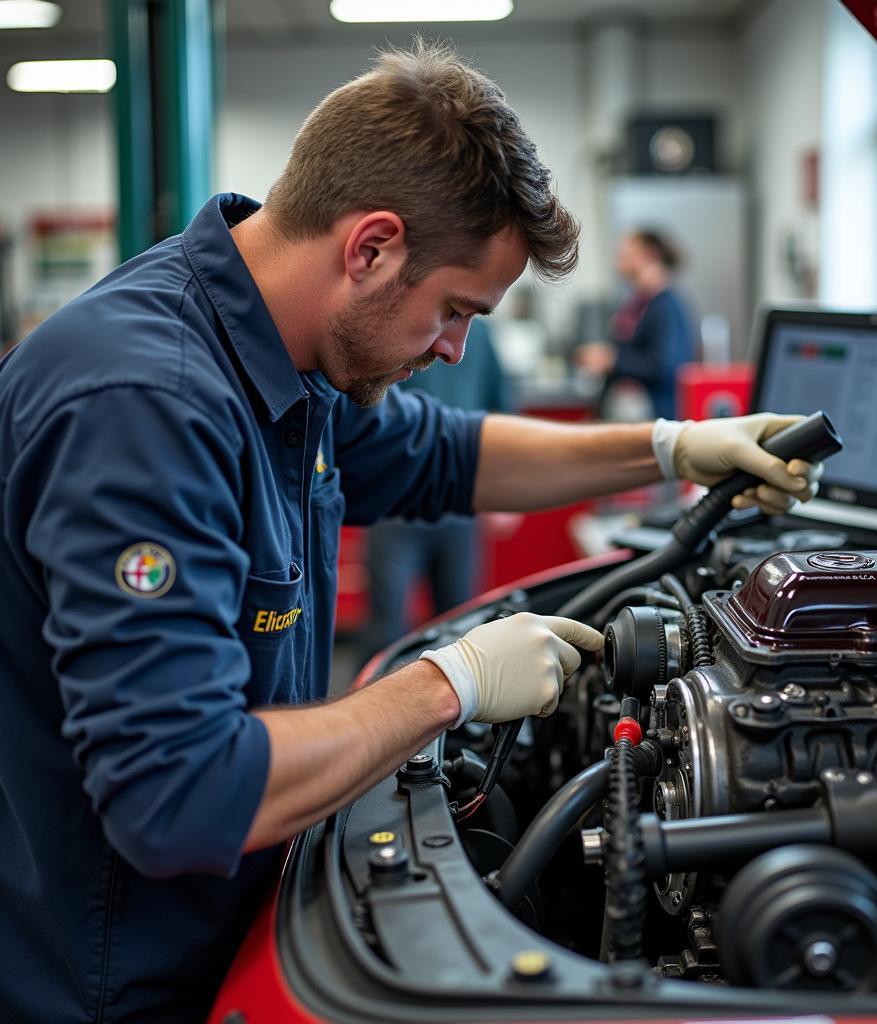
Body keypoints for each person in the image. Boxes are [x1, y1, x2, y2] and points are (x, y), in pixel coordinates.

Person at [0, 42, 820, 1023]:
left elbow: (448, 453)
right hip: (115, 986)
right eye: (454, 311)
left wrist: (673, 446)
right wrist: (449, 684)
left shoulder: (275, 347)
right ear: (372, 247)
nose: (454, 349)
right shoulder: (145, 407)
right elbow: (176, 793)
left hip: (213, 932)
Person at [360, 316, 509, 664]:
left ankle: (455, 716)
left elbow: (499, 401)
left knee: (460, 626)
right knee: (386, 627)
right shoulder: (403, 323)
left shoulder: (480, 335)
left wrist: (501, 494)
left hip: (458, 499)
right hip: (396, 500)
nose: (452, 348)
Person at [578, 228, 695, 420]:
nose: (618, 261)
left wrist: (611, 360)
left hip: (655, 418)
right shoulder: (637, 303)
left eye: (626, 254)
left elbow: (665, 366)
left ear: (650, 255)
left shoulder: (667, 307)